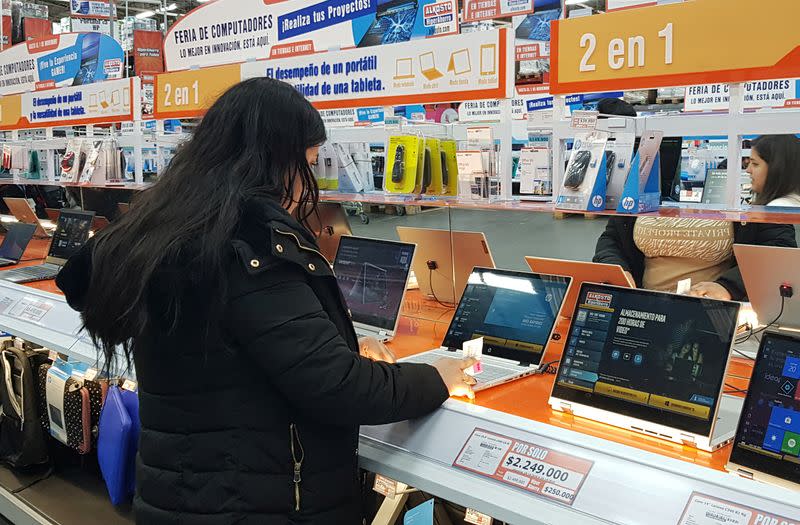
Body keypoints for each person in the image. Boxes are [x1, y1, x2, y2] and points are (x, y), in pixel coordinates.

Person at [55, 78, 476, 524]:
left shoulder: (169, 228)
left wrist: (317, 338)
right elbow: (338, 387)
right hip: (256, 502)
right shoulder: (247, 245)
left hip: (181, 491)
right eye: (308, 163)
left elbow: (239, 348)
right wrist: (436, 377)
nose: (308, 182)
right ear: (276, 159)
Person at [592, 104, 797, 301]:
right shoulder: (636, 197)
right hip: (642, 302)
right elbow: (611, 240)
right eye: (747, 163)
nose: (748, 170)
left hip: (709, 309)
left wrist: (728, 286)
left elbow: (776, 255)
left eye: (754, 164)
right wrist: (617, 271)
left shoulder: (764, 209)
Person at [747, 134, 800, 206]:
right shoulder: (792, 202)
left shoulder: (779, 207)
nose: (748, 170)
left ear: (777, 167)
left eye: (755, 164)